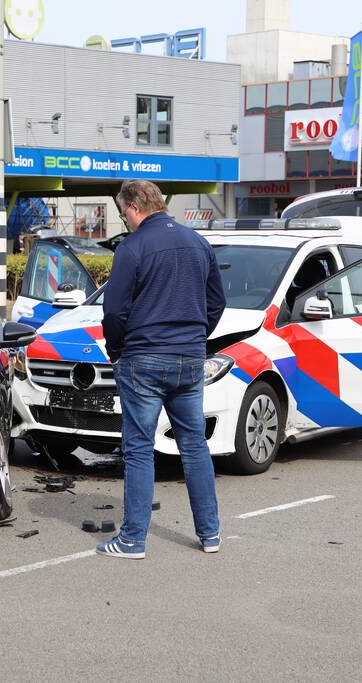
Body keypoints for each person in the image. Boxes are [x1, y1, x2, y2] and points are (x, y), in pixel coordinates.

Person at [97, 180, 226, 559]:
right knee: (194, 444)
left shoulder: (133, 248)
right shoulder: (199, 243)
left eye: (124, 213)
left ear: (135, 206)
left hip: (143, 359)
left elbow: (114, 311)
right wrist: (195, 337)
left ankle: (133, 540)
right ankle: (211, 534)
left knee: (138, 448)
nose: (126, 220)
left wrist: (116, 349)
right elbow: (216, 302)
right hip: (189, 359)